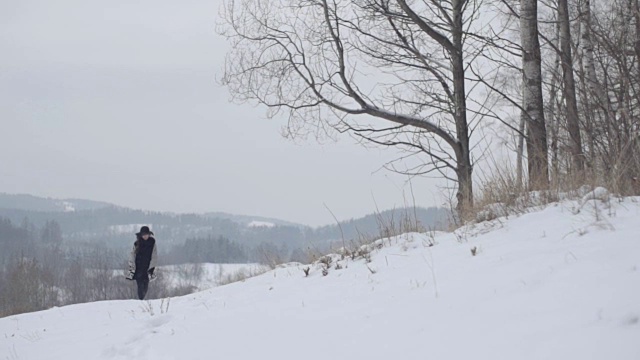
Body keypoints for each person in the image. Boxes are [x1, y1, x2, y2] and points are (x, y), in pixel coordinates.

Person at [125, 226, 158, 300]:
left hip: (147, 267)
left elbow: (154, 255)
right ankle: (141, 300)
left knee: (146, 285)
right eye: (143, 234)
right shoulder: (137, 243)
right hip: (138, 267)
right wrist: (132, 266)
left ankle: (142, 299)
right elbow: (132, 254)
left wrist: (152, 267)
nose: (145, 236)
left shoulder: (152, 242)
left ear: (149, 234)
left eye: (146, 234)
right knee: (140, 285)